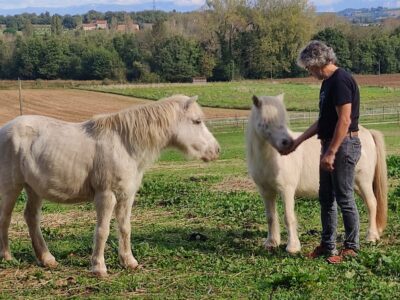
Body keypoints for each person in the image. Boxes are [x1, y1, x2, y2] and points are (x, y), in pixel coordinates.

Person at [281, 40, 361, 264]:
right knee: (326, 198)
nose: (309, 72)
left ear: (317, 62)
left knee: (344, 197)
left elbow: (344, 120)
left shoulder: (340, 81)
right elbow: (324, 121)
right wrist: (298, 141)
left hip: (343, 145)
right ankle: (328, 245)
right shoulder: (327, 84)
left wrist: (332, 152)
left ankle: (351, 248)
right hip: (329, 144)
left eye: (308, 68)